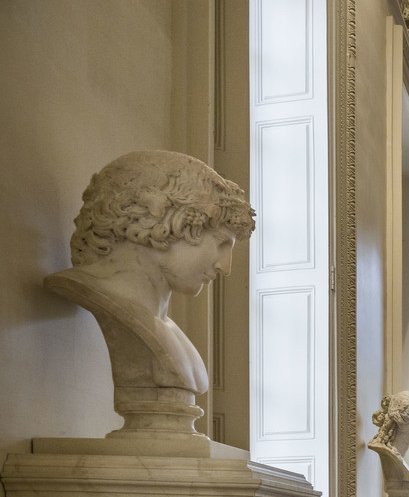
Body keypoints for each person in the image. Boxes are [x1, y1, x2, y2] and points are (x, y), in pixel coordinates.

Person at [44, 150, 255, 421]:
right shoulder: (109, 301)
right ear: (165, 221)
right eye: (220, 242)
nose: (225, 267)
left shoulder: (169, 332)